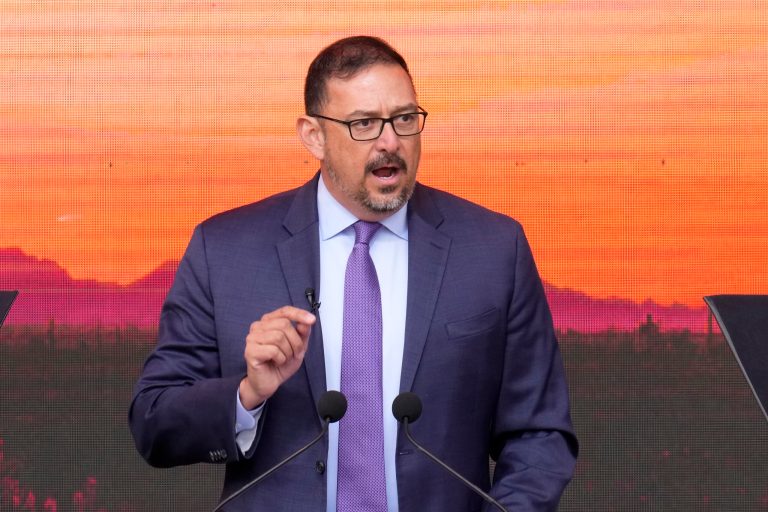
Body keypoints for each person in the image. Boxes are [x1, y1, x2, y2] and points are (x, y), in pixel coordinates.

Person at [129, 35, 578, 511]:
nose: (390, 142)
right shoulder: (225, 250)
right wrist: (247, 394)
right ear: (313, 136)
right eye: (364, 124)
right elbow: (155, 424)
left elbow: (540, 433)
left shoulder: (491, 248)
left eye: (404, 119)